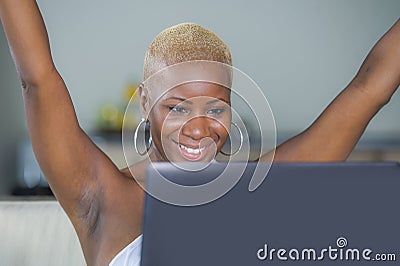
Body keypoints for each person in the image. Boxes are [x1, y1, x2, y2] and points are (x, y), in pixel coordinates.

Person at [0, 0, 399, 265]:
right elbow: (37, 79)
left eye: (215, 108)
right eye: (176, 107)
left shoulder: (260, 190)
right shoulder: (101, 195)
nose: (198, 128)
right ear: (143, 103)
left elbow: (368, 88)